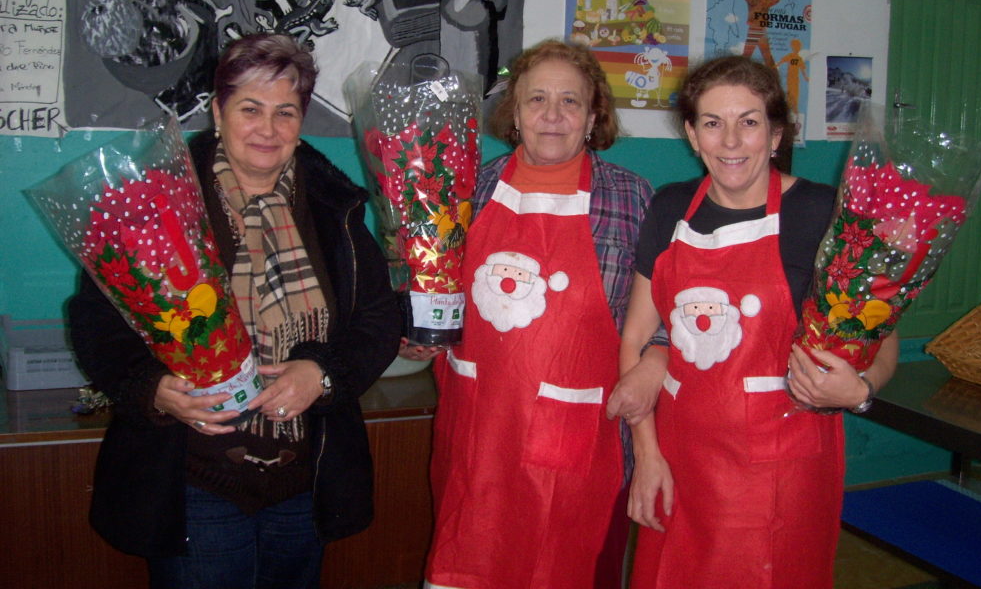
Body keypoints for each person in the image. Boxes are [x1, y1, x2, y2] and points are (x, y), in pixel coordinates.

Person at [68, 33, 402, 589]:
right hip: (194, 478)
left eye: (285, 112)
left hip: (304, 480)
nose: (268, 128)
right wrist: (151, 387)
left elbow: (377, 320)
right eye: (250, 108)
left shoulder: (332, 206)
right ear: (218, 112)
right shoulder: (157, 201)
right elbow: (95, 321)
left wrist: (322, 374)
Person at [607, 55, 899, 588]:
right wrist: (645, 455)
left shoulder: (822, 213)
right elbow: (637, 337)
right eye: (712, 123)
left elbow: (882, 340)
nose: (731, 141)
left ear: (775, 134)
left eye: (748, 122)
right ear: (692, 135)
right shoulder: (670, 208)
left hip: (784, 467)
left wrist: (859, 391)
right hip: (680, 458)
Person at [423, 39, 654, 589]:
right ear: (515, 114)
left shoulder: (631, 198)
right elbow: (433, 290)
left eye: (570, 101)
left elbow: (664, 310)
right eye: (537, 99)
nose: (553, 115)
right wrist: (419, 329)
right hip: (478, 431)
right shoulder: (468, 189)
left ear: (593, 117)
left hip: (581, 437)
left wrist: (657, 360)